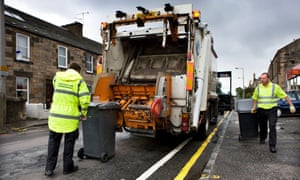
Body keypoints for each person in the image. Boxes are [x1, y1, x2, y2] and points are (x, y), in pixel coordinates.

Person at [45, 63, 90, 176]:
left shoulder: (57, 78)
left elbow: (56, 89)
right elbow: (85, 100)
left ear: (68, 69)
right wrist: (84, 113)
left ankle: (49, 169)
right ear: (78, 71)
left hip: (55, 117)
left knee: (53, 143)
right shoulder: (80, 81)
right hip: (70, 118)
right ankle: (67, 168)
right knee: (69, 144)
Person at [251, 72, 295, 153]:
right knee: (262, 126)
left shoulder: (275, 87)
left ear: (268, 78)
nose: (261, 80)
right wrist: (254, 106)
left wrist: (291, 105)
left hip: (272, 109)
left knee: (272, 126)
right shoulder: (258, 88)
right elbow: (255, 97)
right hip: (261, 109)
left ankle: (272, 146)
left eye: (263, 78)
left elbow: (285, 96)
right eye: (261, 78)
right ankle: (263, 137)